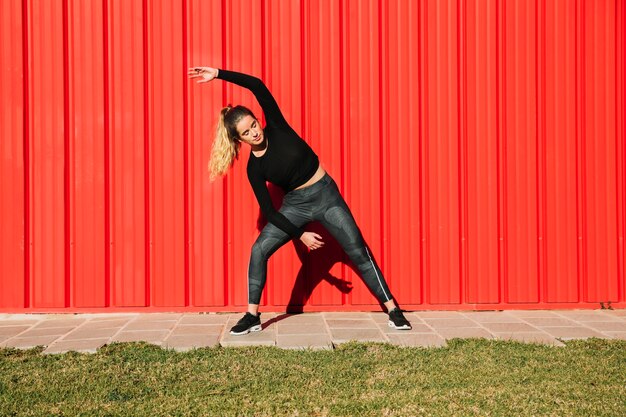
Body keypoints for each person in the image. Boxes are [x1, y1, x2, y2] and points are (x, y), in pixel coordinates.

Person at [188, 66, 412, 335]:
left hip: (326, 196)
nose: (255, 133)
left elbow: (257, 85)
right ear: (239, 139)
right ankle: (251, 316)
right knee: (259, 250)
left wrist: (219, 73)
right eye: (246, 133)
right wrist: (300, 235)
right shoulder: (254, 169)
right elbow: (270, 212)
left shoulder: (277, 127)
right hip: (296, 206)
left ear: (258, 121)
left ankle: (392, 310)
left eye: (254, 125)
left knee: (357, 251)